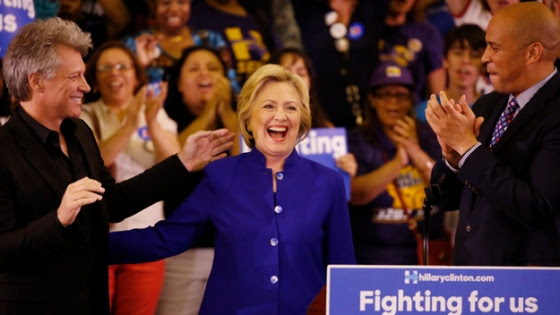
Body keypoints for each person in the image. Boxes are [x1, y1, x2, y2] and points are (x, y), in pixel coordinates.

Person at [0, 17, 234, 314]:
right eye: (74, 77)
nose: (85, 86)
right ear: (36, 81)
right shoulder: (3, 150)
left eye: (83, 75)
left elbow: (112, 203)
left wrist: (182, 163)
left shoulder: (79, 133)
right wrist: (58, 219)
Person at [109, 64, 355, 314]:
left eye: (291, 107)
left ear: (302, 119)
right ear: (248, 118)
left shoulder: (328, 182)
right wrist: (86, 246)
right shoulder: (221, 175)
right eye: (269, 106)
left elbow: (343, 269)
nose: (280, 116)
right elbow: (164, 239)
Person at [426, 2, 560, 266]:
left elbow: (538, 207)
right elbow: (448, 201)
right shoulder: (489, 104)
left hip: (527, 291)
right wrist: (452, 159)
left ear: (532, 52)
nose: (484, 57)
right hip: (470, 278)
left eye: (494, 47)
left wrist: (468, 149)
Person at [80, 41, 179, 314]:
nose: (115, 73)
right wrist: (131, 123)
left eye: (123, 66)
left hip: (147, 237)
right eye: (106, 67)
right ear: (95, 81)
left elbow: (177, 164)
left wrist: (152, 122)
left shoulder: (156, 112)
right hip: (99, 238)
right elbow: (94, 161)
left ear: (137, 76)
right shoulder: (84, 114)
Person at [157, 45, 238, 315]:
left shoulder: (241, 121)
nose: (205, 73)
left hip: (232, 250)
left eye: (213, 68)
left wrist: (225, 111)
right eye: (194, 69)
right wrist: (208, 114)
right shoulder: (167, 121)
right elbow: (175, 162)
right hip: (181, 251)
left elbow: (250, 164)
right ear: (179, 84)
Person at [347, 62, 443, 264]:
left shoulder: (430, 134)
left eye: (400, 95)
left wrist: (413, 149)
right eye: (385, 95)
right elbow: (356, 195)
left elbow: (443, 189)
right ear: (372, 100)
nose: (393, 102)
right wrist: (399, 161)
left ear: (410, 100)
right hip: (374, 256)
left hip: (428, 253)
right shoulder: (357, 140)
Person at [416, 24, 487, 122]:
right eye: (458, 53)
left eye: (474, 55)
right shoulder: (424, 111)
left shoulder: (491, 110)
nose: (465, 60)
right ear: (445, 59)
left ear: (484, 65)